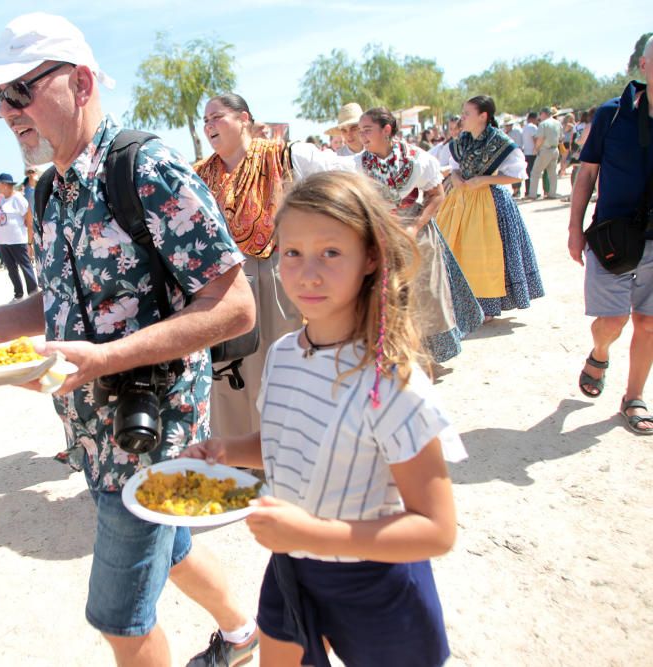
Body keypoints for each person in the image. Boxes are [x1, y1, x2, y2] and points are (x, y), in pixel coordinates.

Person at [0, 12, 259, 666]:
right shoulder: (47, 192)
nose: (7, 112)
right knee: (171, 548)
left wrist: (108, 359)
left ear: (82, 82)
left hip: (150, 430)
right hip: (89, 428)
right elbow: (63, 297)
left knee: (120, 617)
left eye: (19, 92)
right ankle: (243, 633)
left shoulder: (145, 167)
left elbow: (235, 304)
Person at [183, 170, 464, 667]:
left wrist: (311, 534)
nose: (307, 273)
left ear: (370, 257)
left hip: (377, 581)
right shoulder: (284, 353)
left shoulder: (391, 383)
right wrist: (226, 450)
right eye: (292, 252)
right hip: (293, 567)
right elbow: (281, 441)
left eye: (331, 253)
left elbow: (437, 530)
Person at [194, 92, 354, 437]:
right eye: (205, 121)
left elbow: (347, 181)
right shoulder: (200, 175)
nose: (209, 126)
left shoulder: (286, 156)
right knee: (229, 369)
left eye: (216, 117)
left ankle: (291, 443)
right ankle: (239, 455)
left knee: (282, 360)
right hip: (227, 283)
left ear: (244, 119)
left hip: (278, 277)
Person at [569, 37, 653, 435]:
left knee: (649, 323)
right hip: (613, 237)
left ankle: (633, 396)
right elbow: (586, 173)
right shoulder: (612, 114)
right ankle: (600, 353)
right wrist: (574, 229)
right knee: (613, 320)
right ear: (643, 65)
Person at [356, 107, 483, 363]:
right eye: (360, 131)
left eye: (367, 130)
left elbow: (437, 195)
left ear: (387, 130)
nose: (362, 137)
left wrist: (415, 226)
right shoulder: (358, 163)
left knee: (427, 291)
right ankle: (397, 354)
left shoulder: (418, 159)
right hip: (382, 234)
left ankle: (432, 354)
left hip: (418, 231)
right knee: (388, 295)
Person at [437, 95, 544, 320]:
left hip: (489, 204)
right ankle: (460, 303)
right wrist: (455, 176)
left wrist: (485, 180)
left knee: (484, 255)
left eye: (467, 113)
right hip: (460, 200)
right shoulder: (462, 141)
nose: (462, 118)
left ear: (483, 116)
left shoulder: (500, 142)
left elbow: (517, 175)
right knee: (453, 250)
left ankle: (486, 306)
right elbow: (454, 166)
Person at [0, 172, 38, 301]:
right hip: (3, 241)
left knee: (25, 266)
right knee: (11, 269)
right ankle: (18, 293)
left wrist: (30, 240)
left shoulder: (18, 198)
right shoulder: (1, 199)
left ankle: (33, 292)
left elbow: (28, 217)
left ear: (6, 185)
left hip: (17, 240)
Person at [527, 107, 563, 200]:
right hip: (555, 149)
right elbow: (561, 138)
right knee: (552, 173)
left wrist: (536, 148)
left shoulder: (543, 124)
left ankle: (532, 194)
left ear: (544, 113)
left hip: (545, 150)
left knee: (535, 172)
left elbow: (540, 138)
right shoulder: (558, 123)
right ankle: (552, 193)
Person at [520, 112, 540, 197]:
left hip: (526, 153)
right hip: (533, 153)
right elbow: (535, 139)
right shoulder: (532, 127)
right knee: (533, 173)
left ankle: (527, 191)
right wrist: (537, 149)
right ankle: (532, 192)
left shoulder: (524, 127)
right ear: (533, 118)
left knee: (528, 173)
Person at [503, 117, 524, 197]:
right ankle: (515, 189)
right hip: (510, 154)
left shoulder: (517, 131)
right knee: (512, 172)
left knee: (517, 172)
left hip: (517, 153)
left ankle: (517, 190)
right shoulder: (506, 133)